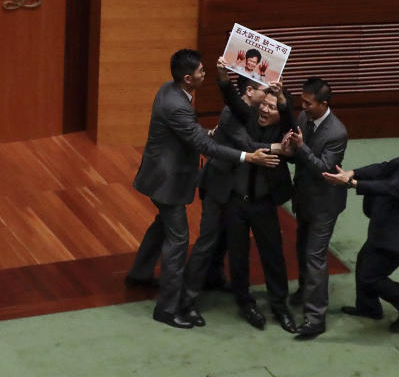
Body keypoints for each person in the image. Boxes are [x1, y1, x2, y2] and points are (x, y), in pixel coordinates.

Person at [126, 49, 269, 329]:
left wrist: (206, 132)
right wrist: (245, 156)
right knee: (178, 241)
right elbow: (200, 144)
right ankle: (167, 309)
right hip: (168, 181)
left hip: (159, 174)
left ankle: (139, 274)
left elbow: (188, 132)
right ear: (189, 78)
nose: (206, 74)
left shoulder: (170, 90)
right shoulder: (177, 105)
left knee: (161, 226)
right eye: (203, 72)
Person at [182, 62, 296, 333]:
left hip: (264, 201)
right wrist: (223, 77)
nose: (265, 109)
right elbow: (234, 107)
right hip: (234, 197)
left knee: (273, 255)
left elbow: (290, 124)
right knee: (237, 254)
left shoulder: (287, 127)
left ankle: (280, 306)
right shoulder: (246, 116)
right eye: (263, 103)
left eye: (272, 105)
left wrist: (281, 102)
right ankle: (244, 302)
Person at [322, 114, 399, 331]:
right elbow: (386, 168)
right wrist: (353, 173)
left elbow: (391, 188)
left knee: (371, 276)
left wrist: (353, 183)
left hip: (398, 238)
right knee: (364, 262)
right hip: (385, 229)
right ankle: (369, 308)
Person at [282, 77, 349, 338]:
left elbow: (323, 168)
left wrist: (300, 147)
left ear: (324, 103)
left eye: (308, 103)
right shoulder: (303, 118)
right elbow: (298, 158)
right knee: (302, 248)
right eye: (302, 102)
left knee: (315, 257)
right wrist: (290, 150)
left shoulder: (337, 133)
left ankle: (315, 318)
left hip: (324, 204)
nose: (304, 107)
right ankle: (303, 290)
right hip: (304, 199)